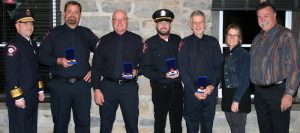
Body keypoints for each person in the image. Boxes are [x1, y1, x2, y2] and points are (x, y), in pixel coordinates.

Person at [38, 1, 99, 133]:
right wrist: (58, 60)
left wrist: (94, 70)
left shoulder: (86, 33)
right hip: (60, 87)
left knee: (83, 124)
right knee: (60, 125)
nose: (72, 14)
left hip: (82, 87)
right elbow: (41, 56)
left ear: (80, 15)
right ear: (64, 14)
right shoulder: (53, 34)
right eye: (69, 11)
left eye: (76, 12)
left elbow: (102, 52)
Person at [250, 2, 300, 133]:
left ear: (275, 15)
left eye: (266, 16)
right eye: (259, 17)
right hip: (260, 93)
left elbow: (295, 67)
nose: (262, 20)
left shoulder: (286, 35)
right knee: (264, 130)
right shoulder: (257, 38)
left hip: (278, 93)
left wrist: (289, 94)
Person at [91, 9, 143, 133]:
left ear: (127, 21)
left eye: (122, 19)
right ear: (112, 22)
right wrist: (96, 89)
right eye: (116, 19)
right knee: (105, 126)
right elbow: (96, 66)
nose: (119, 22)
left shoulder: (137, 40)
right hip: (108, 88)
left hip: (129, 88)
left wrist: (137, 71)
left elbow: (146, 63)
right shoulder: (103, 41)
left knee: (132, 125)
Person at [178, 10, 223, 133]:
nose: (198, 25)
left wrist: (211, 86)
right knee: (191, 128)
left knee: (207, 128)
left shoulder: (213, 42)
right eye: (195, 23)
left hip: (210, 94)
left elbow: (218, 67)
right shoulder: (184, 43)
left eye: (200, 22)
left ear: (205, 24)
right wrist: (194, 91)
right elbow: (183, 69)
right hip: (192, 95)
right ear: (191, 25)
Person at [140, 9, 183, 133]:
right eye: (160, 23)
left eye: (166, 22)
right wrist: (164, 75)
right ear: (156, 25)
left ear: (170, 24)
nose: (163, 25)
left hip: (177, 88)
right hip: (160, 89)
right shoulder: (149, 43)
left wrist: (180, 72)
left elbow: (183, 61)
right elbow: (145, 69)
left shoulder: (177, 40)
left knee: (177, 124)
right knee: (159, 124)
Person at [4, 9, 45, 133]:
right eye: (25, 23)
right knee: (19, 129)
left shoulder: (32, 44)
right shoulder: (13, 46)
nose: (29, 26)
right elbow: (10, 74)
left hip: (32, 95)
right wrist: (18, 97)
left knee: (31, 128)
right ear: (17, 26)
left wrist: (40, 89)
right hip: (20, 98)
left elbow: (35, 69)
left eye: (31, 23)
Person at [221, 24, 251, 133]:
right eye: (230, 35)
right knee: (233, 129)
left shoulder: (244, 55)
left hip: (238, 97)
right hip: (227, 96)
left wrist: (236, 100)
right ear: (226, 37)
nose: (232, 38)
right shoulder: (226, 54)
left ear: (239, 38)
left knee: (238, 129)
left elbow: (245, 79)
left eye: (235, 35)